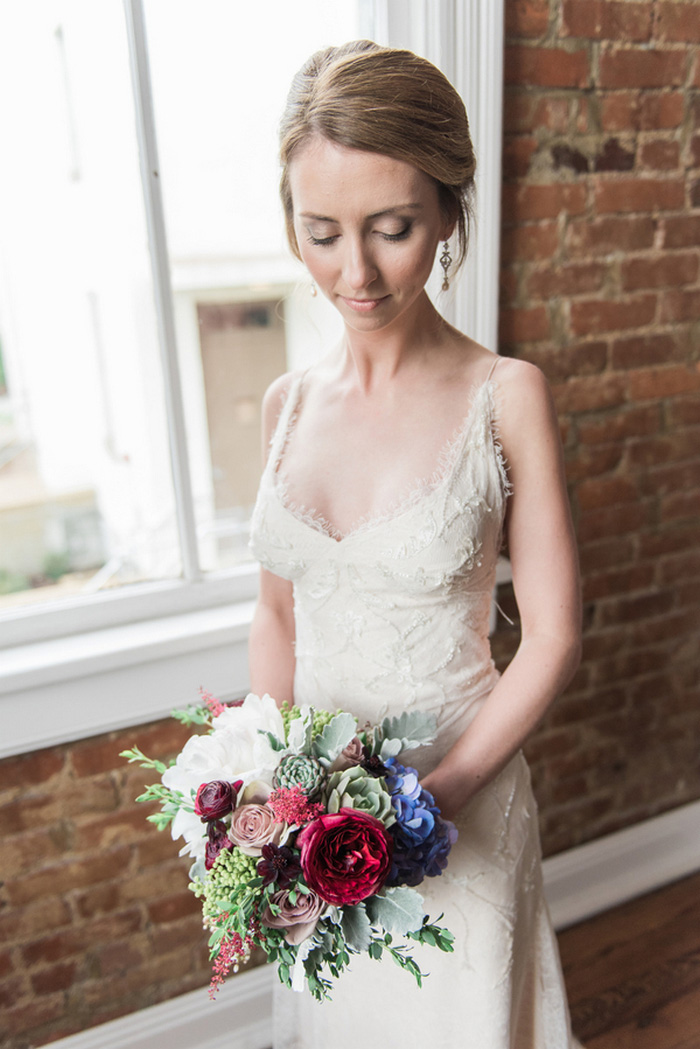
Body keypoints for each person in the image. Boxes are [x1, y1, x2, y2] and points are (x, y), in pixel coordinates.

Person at [248, 40, 583, 1049]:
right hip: (319, 836)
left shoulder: (505, 394)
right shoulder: (285, 403)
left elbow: (557, 633)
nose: (355, 271)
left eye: (391, 228)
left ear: (446, 210)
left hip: (461, 810)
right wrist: (275, 790)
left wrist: (435, 798)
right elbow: (275, 613)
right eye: (321, 232)